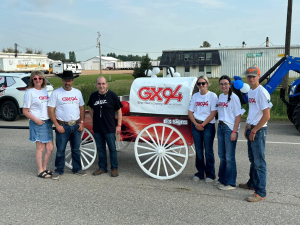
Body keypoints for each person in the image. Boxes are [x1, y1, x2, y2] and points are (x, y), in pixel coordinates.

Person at [239, 66, 272, 202]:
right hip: (251, 127)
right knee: (252, 160)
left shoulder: (262, 92)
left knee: (259, 163)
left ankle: (261, 192)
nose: (251, 78)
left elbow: (266, 116)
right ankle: (252, 184)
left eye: (254, 76)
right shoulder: (251, 92)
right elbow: (253, 110)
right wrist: (247, 125)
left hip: (259, 130)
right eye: (249, 76)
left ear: (259, 76)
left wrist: (254, 130)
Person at [48, 71, 86, 180]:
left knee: (76, 149)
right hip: (62, 125)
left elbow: (82, 107)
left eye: (69, 80)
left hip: (76, 125)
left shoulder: (77, 93)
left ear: (72, 81)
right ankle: (59, 170)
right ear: (62, 80)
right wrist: (56, 125)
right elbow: (50, 110)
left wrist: (82, 122)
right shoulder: (56, 93)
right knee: (60, 149)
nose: (67, 82)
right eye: (65, 80)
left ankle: (77, 168)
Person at [88, 76, 123, 177]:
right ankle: (102, 168)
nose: (101, 86)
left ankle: (114, 168)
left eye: (103, 83)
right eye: (99, 84)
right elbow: (90, 107)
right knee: (101, 148)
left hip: (110, 128)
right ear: (96, 85)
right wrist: (94, 118)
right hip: (98, 128)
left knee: (112, 149)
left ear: (106, 84)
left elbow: (119, 110)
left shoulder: (112, 95)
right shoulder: (93, 96)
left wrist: (119, 125)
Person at [23, 71, 54, 178]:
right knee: (40, 148)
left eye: (40, 78)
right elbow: (25, 111)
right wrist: (36, 121)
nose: (38, 80)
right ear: (32, 80)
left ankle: (44, 168)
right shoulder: (29, 92)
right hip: (38, 123)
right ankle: (40, 170)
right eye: (35, 79)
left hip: (47, 122)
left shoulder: (45, 91)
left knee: (50, 148)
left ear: (43, 79)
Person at [188, 76, 218, 182]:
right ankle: (200, 172)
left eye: (203, 83)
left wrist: (203, 125)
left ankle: (210, 174)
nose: (201, 85)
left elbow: (213, 113)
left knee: (209, 151)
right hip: (196, 124)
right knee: (199, 150)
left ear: (207, 83)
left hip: (208, 125)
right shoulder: (195, 96)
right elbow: (190, 112)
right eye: (199, 84)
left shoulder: (212, 96)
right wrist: (196, 123)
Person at [216, 75, 243, 190]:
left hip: (229, 128)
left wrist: (234, 131)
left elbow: (238, 116)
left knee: (229, 156)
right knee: (222, 155)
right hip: (221, 127)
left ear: (230, 84)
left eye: (226, 84)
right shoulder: (221, 96)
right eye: (221, 84)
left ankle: (231, 182)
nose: (224, 86)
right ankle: (222, 179)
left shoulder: (234, 97)